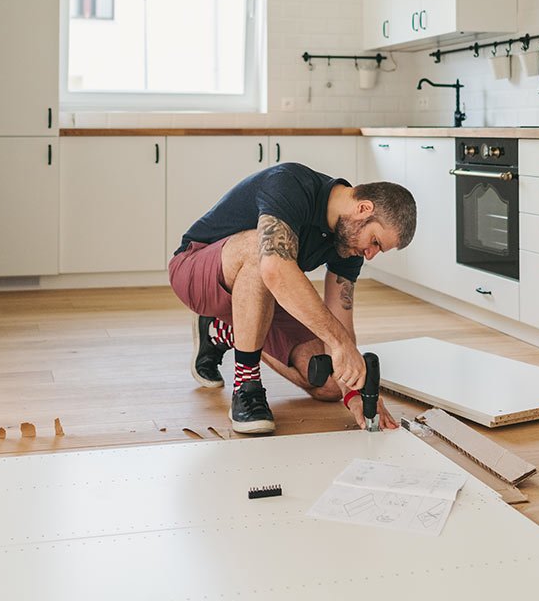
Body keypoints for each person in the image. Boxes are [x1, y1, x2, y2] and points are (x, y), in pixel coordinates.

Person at [168, 162, 416, 434]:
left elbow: (340, 322)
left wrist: (354, 392)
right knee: (262, 249)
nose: (370, 254)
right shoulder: (290, 184)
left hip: (259, 295)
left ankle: (220, 332)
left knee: (328, 381)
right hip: (195, 270)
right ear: (363, 209)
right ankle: (246, 387)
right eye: (376, 242)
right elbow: (274, 268)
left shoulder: (348, 246)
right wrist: (339, 343)